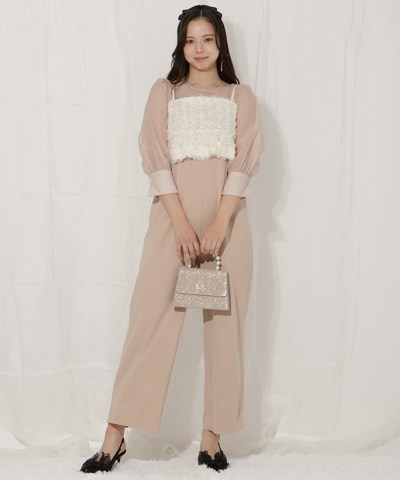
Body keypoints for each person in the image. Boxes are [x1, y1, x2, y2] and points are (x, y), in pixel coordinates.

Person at [80, 4, 263, 473]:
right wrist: (181, 223)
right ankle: (115, 434)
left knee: (225, 328)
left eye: (207, 39)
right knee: (150, 322)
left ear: (220, 43)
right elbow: (155, 157)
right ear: (181, 46)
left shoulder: (240, 97)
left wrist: (219, 223)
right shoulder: (165, 92)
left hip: (228, 221)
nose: (199, 49)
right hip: (171, 218)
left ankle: (212, 437)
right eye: (190, 40)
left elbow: (244, 163)